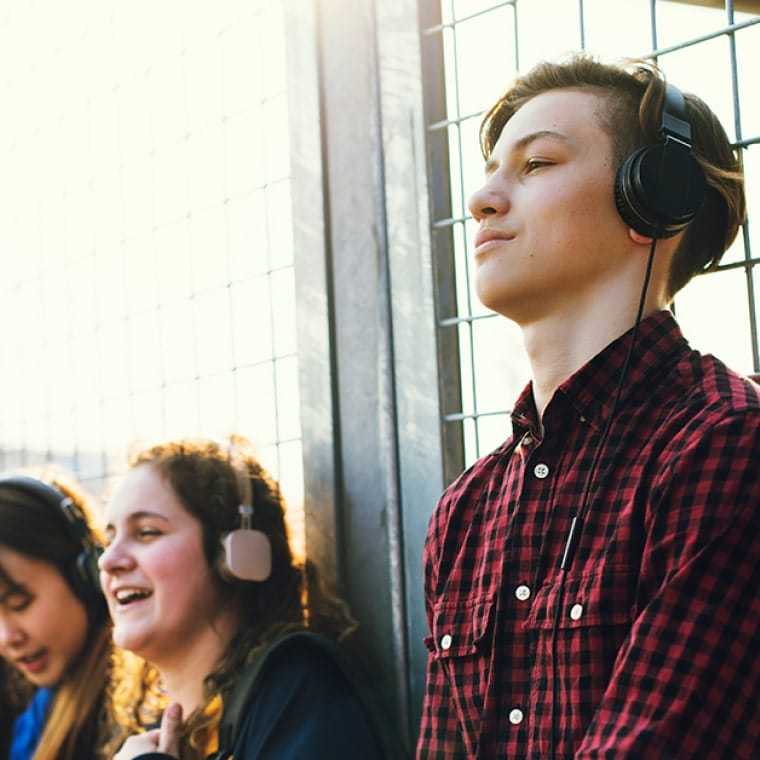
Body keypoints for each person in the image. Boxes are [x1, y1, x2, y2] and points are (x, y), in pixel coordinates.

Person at [417, 53, 759, 759]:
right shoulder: (466, 509)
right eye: (490, 170)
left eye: (536, 164)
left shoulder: (726, 447)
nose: (482, 197)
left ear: (653, 201)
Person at [99, 436, 391, 760]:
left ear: (234, 556)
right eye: (108, 540)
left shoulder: (296, 689)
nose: (108, 560)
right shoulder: (148, 729)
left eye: (147, 532)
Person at [0, 474, 133, 759]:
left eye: (20, 603)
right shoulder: (39, 711)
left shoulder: (133, 717)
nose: (6, 637)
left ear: (84, 577)